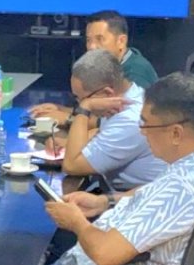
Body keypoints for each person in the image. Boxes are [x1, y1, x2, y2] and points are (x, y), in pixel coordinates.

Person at [17, 72, 194, 265]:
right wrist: (104, 202)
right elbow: (154, 192)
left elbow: (105, 255)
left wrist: (77, 223)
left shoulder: (182, 189)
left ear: (176, 133)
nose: (142, 132)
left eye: (146, 124)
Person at [60, 50, 166, 191]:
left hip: (136, 203)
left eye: (81, 98)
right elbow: (101, 133)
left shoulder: (130, 120)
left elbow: (72, 166)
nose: (79, 103)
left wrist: (85, 108)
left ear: (107, 93)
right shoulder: (132, 95)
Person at [30, 10, 159, 124]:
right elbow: (98, 112)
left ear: (121, 41)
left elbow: (117, 123)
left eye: (100, 39)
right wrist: (59, 109)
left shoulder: (136, 72)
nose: (92, 46)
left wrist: (67, 119)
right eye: (88, 40)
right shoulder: (107, 67)